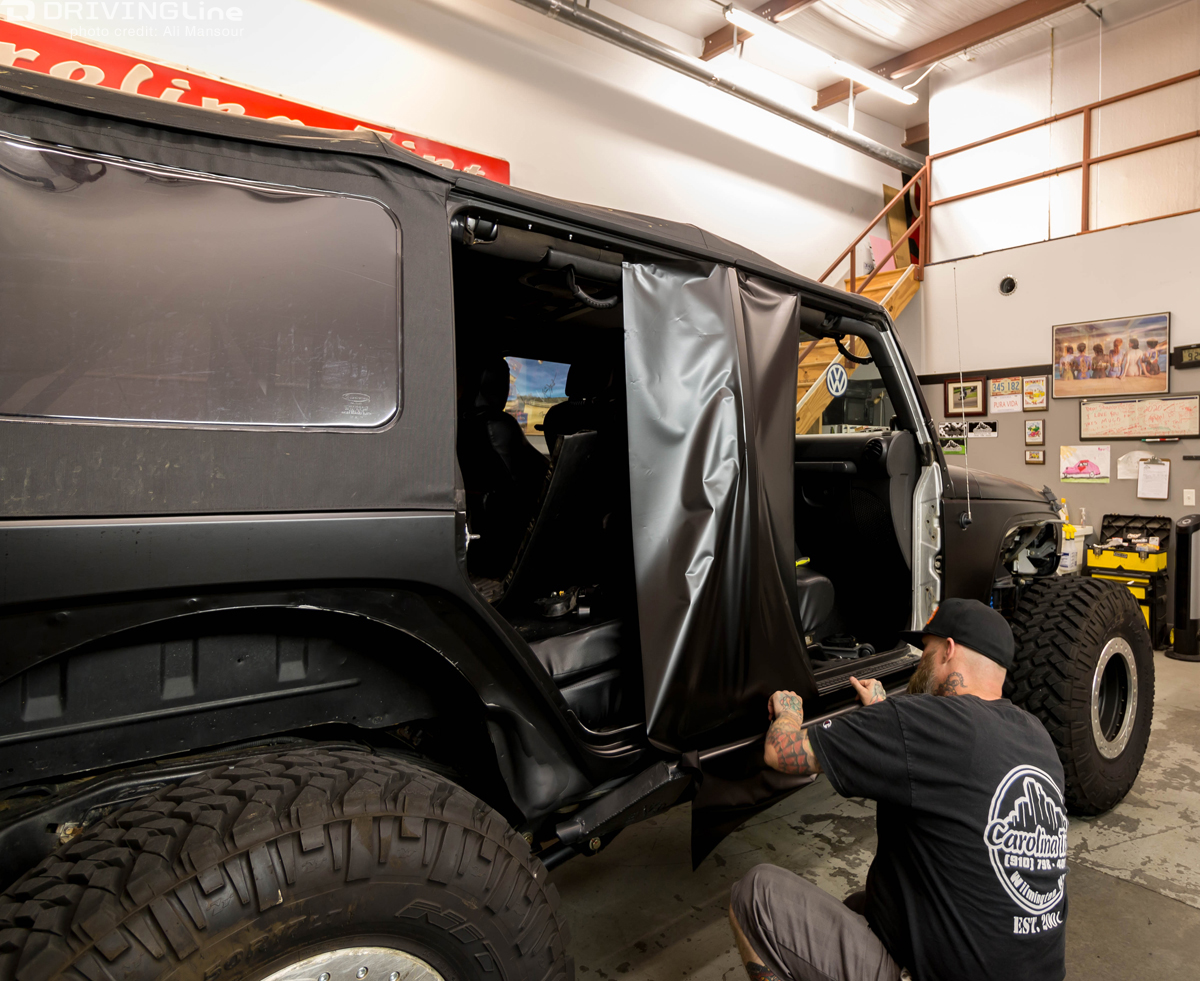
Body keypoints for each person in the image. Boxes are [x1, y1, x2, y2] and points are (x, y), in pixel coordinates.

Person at [729, 599, 1068, 981]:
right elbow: (938, 768)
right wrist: (883, 714)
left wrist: (789, 712)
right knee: (864, 906)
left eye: (926, 649)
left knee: (756, 895)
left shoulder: (925, 721)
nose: (921, 658)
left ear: (949, 649)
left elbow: (781, 754)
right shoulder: (1035, 737)